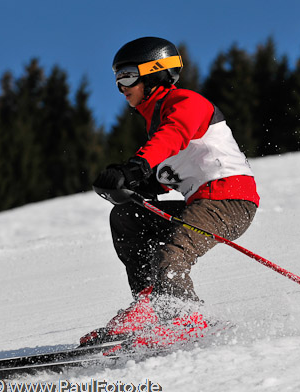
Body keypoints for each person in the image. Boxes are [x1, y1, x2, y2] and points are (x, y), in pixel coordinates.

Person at [80, 37, 260, 349]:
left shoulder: (186, 103)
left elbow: (173, 135)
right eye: (117, 80)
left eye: (126, 76)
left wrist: (134, 168)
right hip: (202, 201)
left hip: (229, 199)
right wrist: (132, 185)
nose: (121, 88)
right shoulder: (156, 120)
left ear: (153, 73)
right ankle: (151, 308)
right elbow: (166, 175)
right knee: (127, 217)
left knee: (171, 254)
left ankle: (185, 317)